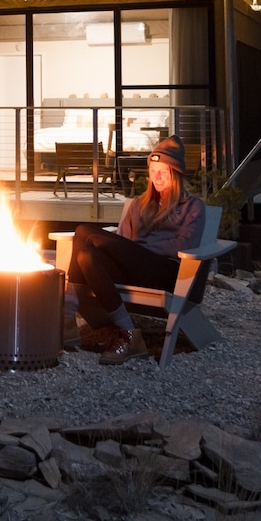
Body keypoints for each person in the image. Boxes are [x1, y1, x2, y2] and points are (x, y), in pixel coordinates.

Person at [66, 136, 206, 356]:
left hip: (167, 274)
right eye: (153, 170)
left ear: (175, 173)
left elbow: (185, 244)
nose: (156, 177)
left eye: (163, 171)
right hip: (134, 270)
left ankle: (66, 313)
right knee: (86, 254)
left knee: (84, 232)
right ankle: (130, 334)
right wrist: (127, 251)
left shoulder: (193, 206)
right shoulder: (139, 205)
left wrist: (141, 249)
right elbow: (122, 242)